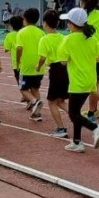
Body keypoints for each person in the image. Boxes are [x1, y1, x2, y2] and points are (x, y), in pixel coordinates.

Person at [57, 7, 99, 153]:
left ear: (72, 25)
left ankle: (96, 128)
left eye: (68, 22)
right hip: (90, 81)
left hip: (77, 82)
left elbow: (63, 62)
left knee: (73, 114)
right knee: (77, 112)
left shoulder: (68, 39)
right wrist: (90, 60)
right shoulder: (92, 39)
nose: (67, 24)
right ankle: (77, 142)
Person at [36, 9, 69, 137]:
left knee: (51, 102)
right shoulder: (63, 37)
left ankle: (61, 128)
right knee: (60, 101)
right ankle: (79, 117)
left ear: (44, 23)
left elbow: (42, 58)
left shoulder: (44, 39)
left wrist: (38, 67)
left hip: (55, 70)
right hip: (65, 69)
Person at [15, 7, 46, 122]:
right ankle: (37, 113)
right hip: (39, 66)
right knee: (35, 88)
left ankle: (34, 101)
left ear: (25, 19)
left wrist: (18, 61)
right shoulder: (41, 32)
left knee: (23, 89)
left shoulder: (21, 32)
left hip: (26, 65)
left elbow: (19, 48)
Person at [3, 15, 22, 93]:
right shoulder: (24, 33)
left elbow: (6, 49)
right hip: (28, 62)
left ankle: (28, 97)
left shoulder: (9, 35)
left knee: (20, 82)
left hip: (17, 63)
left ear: (11, 25)